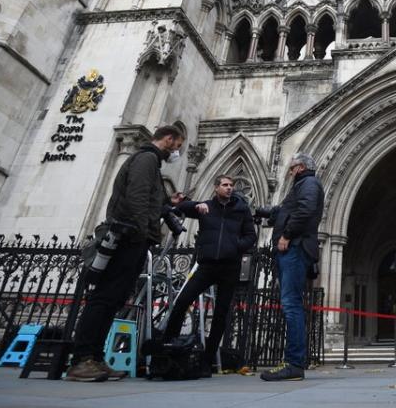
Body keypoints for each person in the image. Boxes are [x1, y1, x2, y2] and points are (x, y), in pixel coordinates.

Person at [67, 125, 186, 382]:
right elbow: (136, 198)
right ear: (168, 139)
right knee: (105, 297)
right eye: (178, 146)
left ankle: (95, 358)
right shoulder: (146, 159)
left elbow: (148, 200)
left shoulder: (151, 164)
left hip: (134, 236)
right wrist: (144, 232)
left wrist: (168, 204)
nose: (177, 152)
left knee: (114, 298)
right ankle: (82, 358)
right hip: (129, 236)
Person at [160, 174, 257, 376]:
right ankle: (168, 348)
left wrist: (235, 247)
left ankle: (207, 361)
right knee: (182, 300)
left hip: (229, 267)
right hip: (206, 265)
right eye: (225, 185)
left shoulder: (241, 209)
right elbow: (179, 209)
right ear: (216, 188)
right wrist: (195, 205)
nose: (229, 188)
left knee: (221, 315)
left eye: (231, 185)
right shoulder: (206, 207)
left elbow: (251, 236)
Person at [260, 152, 325, 382]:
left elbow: (305, 210)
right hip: (294, 249)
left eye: (291, 168)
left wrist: (286, 234)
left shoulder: (309, 183)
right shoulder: (303, 185)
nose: (288, 172)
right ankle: (293, 362)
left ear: (299, 168)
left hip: (295, 248)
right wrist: (267, 213)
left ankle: (294, 363)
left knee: (292, 305)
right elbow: (289, 210)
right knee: (291, 305)